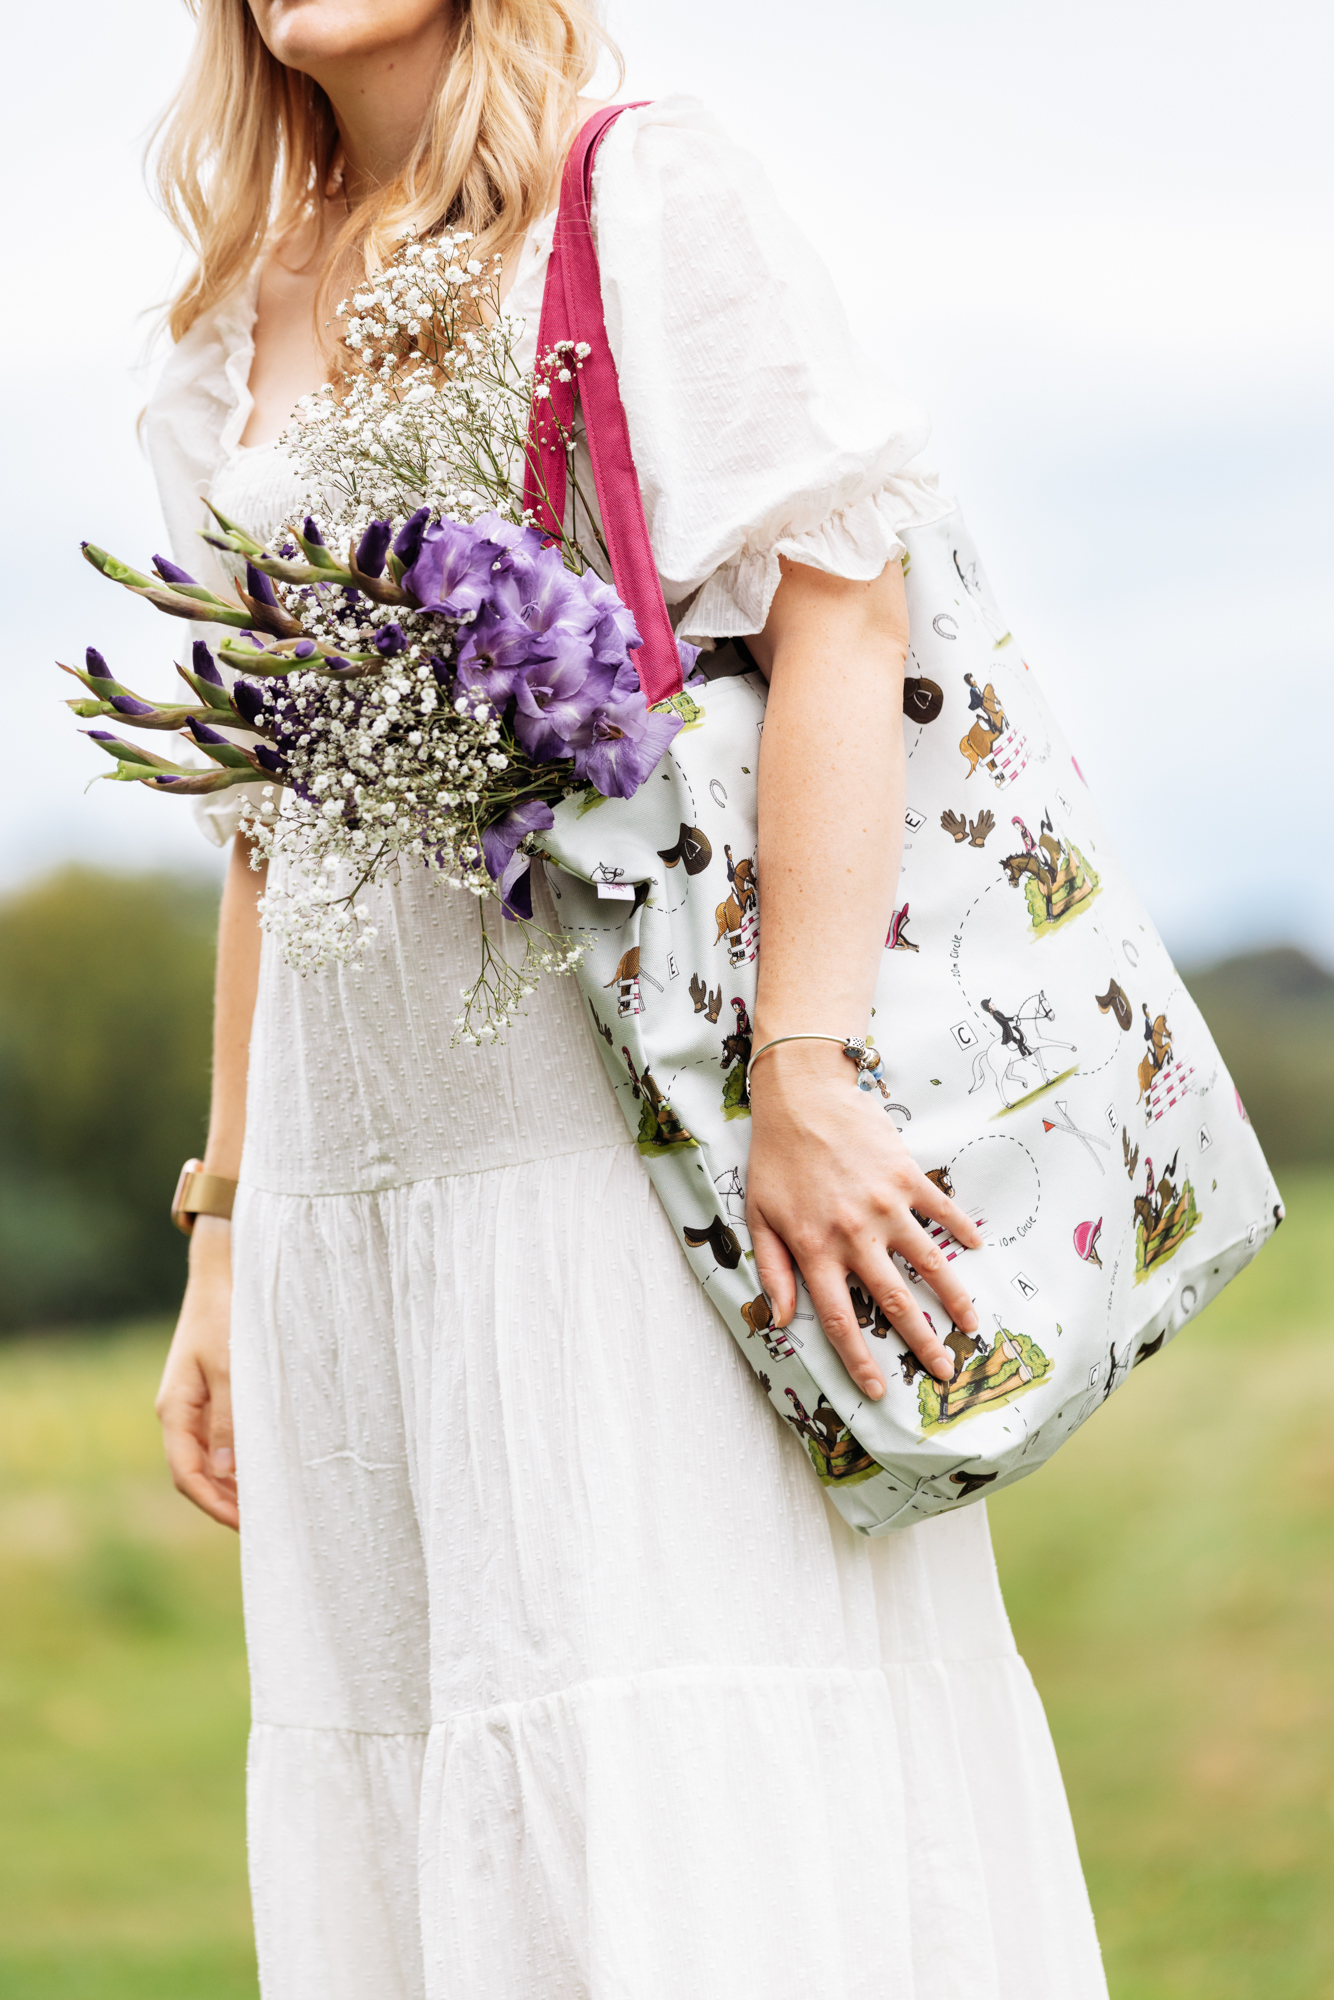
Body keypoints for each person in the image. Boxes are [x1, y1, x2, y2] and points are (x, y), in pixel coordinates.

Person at [146, 2, 1108, 1993]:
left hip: (624, 1156)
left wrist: (807, 1068)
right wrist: (224, 1232)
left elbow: (847, 596)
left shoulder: (639, 183)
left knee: (676, 1764)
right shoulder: (222, 322)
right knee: (415, 1781)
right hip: (347, 1187)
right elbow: (264, 811)